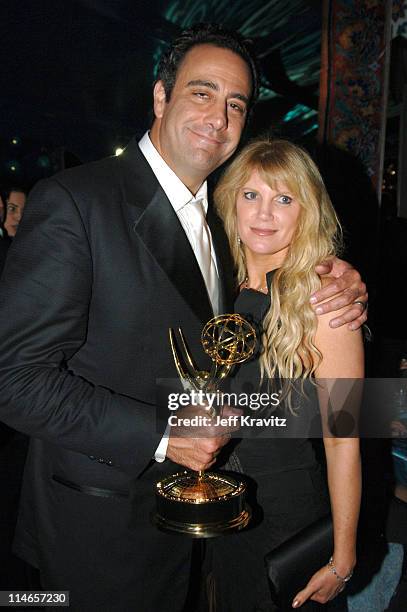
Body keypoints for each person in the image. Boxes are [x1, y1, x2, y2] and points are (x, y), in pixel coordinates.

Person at [0, 24, 366, 611]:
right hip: (101, 526)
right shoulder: (78, 201)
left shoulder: (224, 232)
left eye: (236, 103)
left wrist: (333, 272)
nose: (219, 117)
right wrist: (166, 434)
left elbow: (335, 411)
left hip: (212, 524)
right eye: (202, 92)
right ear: (160, 97)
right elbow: (13, 380)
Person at [210, 138, 363, 611]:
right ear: (230, 201)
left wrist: (343, 554)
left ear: (306, 210)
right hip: (212, 508)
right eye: (251, 195)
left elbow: (345, 438)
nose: (264, 213)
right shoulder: (211, 285)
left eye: (283, 198)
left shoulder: (324, 301)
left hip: (286, 514)